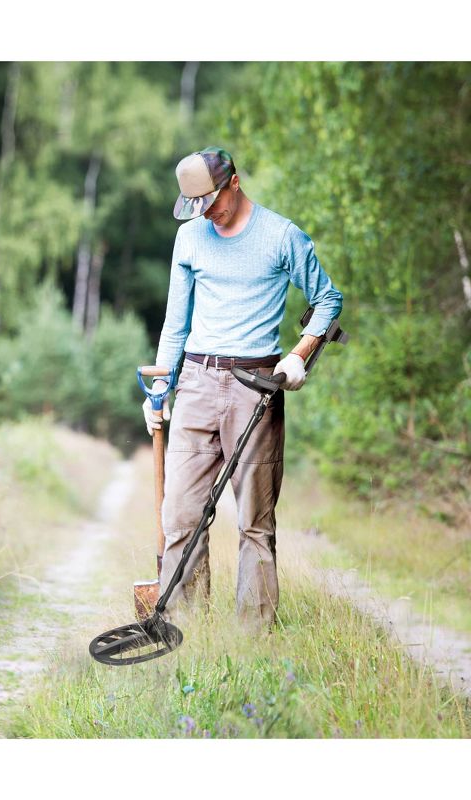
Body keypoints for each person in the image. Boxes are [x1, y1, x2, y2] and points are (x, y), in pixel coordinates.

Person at [143, 146, 342, 630]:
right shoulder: (189, 238)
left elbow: (327, 299)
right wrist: (160, 390)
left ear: (234, 181)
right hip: (194, 383)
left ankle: (252, 640)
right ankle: (184, 633)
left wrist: (299, 354)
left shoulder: (281, 236)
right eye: (194, 206)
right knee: (180, 516)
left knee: (254, 522)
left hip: (255, 385)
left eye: (210, 201)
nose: (205, 213)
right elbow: (176, 322)